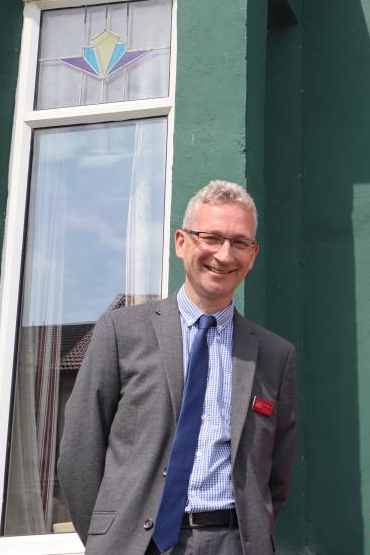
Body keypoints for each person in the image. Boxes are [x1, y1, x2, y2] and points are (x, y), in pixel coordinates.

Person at [58, 180, 297, 555]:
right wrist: (110, 539)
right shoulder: (122, 332)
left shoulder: (273, 355)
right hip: (138, 544)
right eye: (211, 237)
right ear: (181, 242)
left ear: (253, 255)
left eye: (239, 243)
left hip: (232, 544)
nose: (223, 254)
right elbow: (79, 453)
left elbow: (275, 477)